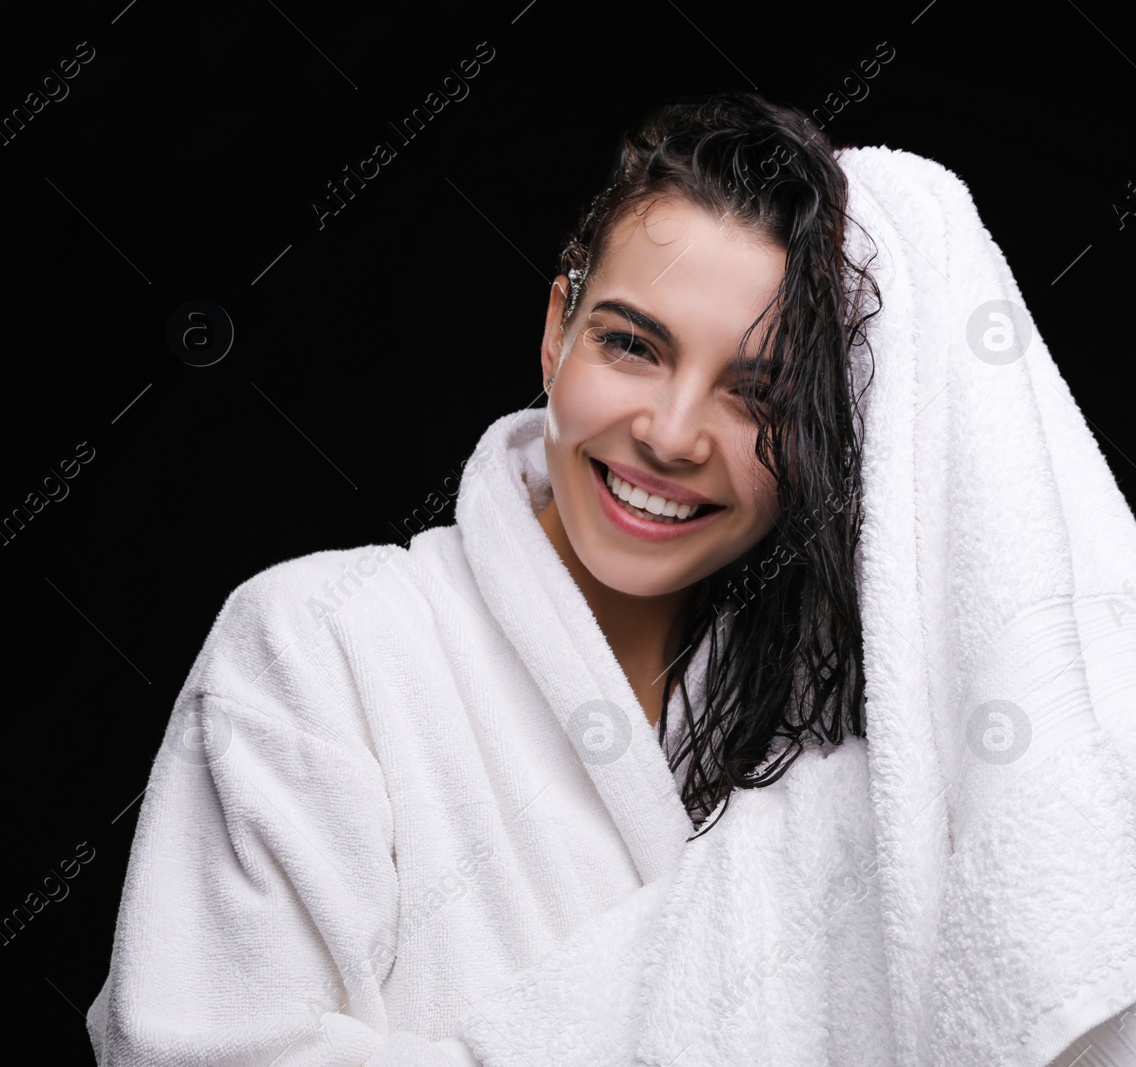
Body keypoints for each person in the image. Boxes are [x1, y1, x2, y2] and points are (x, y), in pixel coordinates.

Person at [86, 92, 879, 1065]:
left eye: (758, 393)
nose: (671, 434)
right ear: (558, 330)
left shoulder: (827, 741)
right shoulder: (318, 644)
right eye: (631, 343)